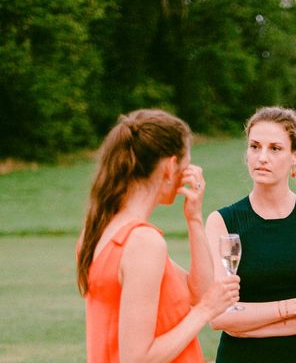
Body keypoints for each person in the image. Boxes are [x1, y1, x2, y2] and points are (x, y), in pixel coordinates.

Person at [76, 108, 240, 362]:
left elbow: (199, 291)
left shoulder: (100, 230)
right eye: (186, 164)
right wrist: (206, 311)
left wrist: (194, 218)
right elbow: (138, 358)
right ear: (170, 165)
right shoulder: (142, 242)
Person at [205, 106, 296, 363]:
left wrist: (244, 324)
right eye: (254, 146)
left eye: (275, 148)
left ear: (295, 155)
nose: (262, 157)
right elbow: (219, 316)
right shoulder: (222, 222)